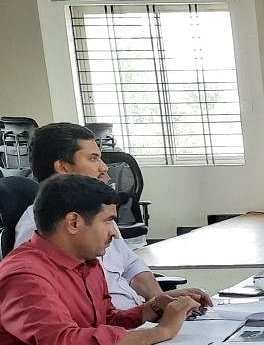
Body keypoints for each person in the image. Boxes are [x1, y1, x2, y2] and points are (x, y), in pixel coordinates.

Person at [0, 175, 206, 345]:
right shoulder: (24, 275)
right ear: (73, 223)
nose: (114, 233)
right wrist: (161, 332)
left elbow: (104, 321)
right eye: (108, 221)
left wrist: (152, 307)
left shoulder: (87, 263)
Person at [14, 123, 196, 310]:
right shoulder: (40, 228)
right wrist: (155, 329)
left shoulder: (99, 213)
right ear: (62, 167)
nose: (104, 168)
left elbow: (130, 264)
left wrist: (160, 301)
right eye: (93, 159)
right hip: (109, 331)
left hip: (134, 319)